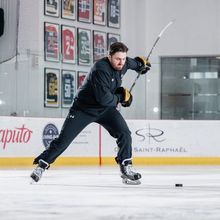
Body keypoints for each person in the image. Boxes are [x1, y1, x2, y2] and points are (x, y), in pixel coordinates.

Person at [30, 42, 151, 185]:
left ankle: (126, 167)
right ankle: (41, 166)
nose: (121, 62)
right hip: (84, 109)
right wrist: (121, 97)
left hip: (106, 110)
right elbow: (104, 98)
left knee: (124, 133)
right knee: (64, 140)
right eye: (118, 59)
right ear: (109, 56)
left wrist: (140, 65)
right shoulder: (100, 69)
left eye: (123, 59)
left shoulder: (123, 62)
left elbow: (132, 63)